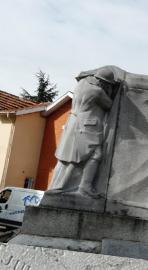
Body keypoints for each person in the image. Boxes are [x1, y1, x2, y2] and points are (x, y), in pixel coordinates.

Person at [48, 67, 118, 197]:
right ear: (102, 82)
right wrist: (110, 90)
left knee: (72, 155)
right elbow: (109, 105)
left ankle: (74, 185)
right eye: (107, 84)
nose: (107, 86)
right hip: (87, 126)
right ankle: (84, 186)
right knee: (95, 154)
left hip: (74, 122)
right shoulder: (97, 92)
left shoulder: (82, 84)